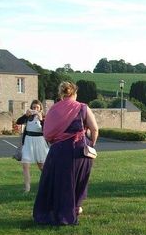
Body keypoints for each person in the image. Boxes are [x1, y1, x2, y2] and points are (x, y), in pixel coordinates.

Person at [33, 81, 99, 225]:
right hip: (80, 151)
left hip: (59, 151)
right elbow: (94, 130)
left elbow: (47, 134)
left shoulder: (54, 110)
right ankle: (75, 207)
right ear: (75, 93)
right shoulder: (82, 107)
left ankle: (55, 211)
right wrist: (90, 144)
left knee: (59, 182)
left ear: (61, 94)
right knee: (78, 181)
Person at [15, 99, 49, 193]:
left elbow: (46, 129)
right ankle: (27, 188)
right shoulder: (28, 117)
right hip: (28, 142)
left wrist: (41, 119)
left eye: (37, 107)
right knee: (25, 165)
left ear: (40, 108)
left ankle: (50, 182)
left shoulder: (44, 117)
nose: (35, 109)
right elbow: (18, 122)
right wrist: (25, 115)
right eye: (33, 107)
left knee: (42, 166)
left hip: (39, 142)